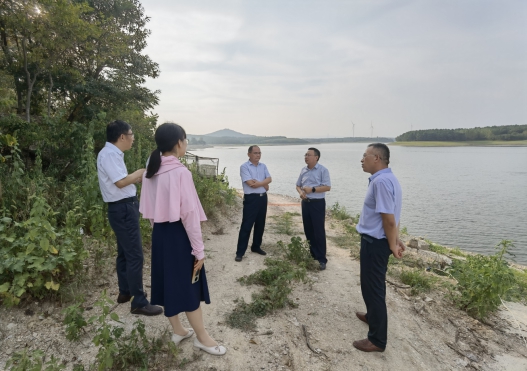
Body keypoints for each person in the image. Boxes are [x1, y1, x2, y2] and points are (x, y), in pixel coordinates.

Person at [139, 122, 226, 356]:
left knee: (168, 283)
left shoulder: (151, 169)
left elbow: (149, 208)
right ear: (179, 143)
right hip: (179, 236)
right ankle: (202, 338)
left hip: (160, 234)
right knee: (190, 286)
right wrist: (199, 250)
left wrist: (159, 229)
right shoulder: (180, 172)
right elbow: (189, 216)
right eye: (185, 140)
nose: (186, 144)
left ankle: (178, 329)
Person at [96, 120, 162, 316]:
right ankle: (139, 302)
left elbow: (122, 181)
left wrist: (135, 178)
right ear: (122, 136)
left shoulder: (112, 154)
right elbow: (120, 182)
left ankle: (125, 292)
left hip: (122, 207)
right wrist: (139, 173)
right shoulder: (109, 154)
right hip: (123, 208)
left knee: (125, 253)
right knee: (135, 255)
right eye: (131, 134)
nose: (133, 138)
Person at [353, 143, 405, 353]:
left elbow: (388, 219)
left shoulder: (381, 182)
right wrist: (396, 239)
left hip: (376, 244)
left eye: (365, 155)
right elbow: (392, 217)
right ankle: (372, 316)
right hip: (377, 240)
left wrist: (393, 245)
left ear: (376, 158)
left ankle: (377, 340)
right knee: (369, 285)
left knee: (374, 288)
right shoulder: (388, 179)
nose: (362, 159)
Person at [295, 147, 331, 270]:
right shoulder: (303, 170)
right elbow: (298, 185)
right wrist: (300, 192)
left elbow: (327, 187)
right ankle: (313, 254)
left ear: (316, 157)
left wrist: (313, 189)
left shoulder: (323, 170)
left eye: (308, 155)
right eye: (305, 154)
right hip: (306, 203)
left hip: (317, 203)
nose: (306, 157)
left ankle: (322, 259)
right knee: (308, 229)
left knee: (318, 231)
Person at [235, 145, 272, 262]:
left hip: (262, 199)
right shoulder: (244, 167)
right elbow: (251, 184)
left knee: (260, 224)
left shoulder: (263, 166)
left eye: (259, 153)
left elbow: (269, 179)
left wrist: (260, 183)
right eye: (255, 153)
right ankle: (240, 252)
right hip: (251, 199)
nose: (258, 155)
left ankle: (256, 246)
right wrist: (263, 184)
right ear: (249, 154)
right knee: (246, 225)